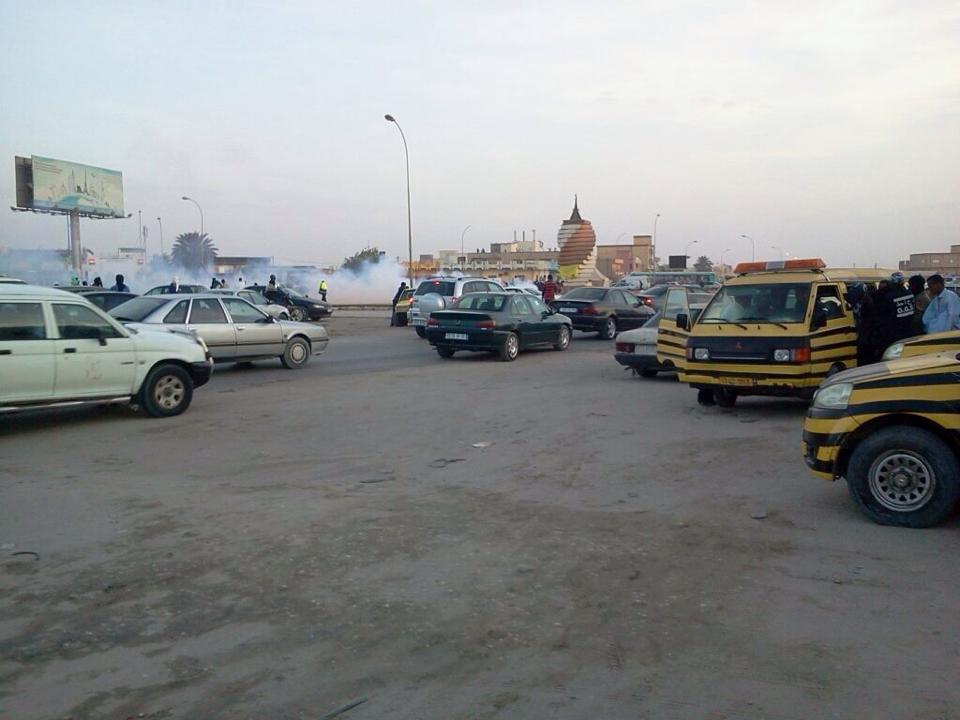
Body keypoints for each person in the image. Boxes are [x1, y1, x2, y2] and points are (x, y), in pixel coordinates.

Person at [871, 272, 915, 359]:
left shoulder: (889, 296)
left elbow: (883, 313)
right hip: (909, 330)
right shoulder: (910, 294)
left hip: (893, 332)